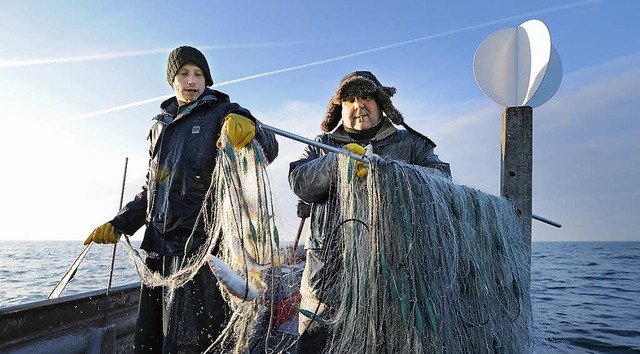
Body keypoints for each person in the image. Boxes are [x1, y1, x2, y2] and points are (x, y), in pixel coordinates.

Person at [83, 46, 279, 353]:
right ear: (172, 80)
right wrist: (120, 223)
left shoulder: (222, 112)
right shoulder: (159, 126)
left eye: (198, 74)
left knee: (192, 341)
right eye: (184, 74)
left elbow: (268, 148)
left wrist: (250, 130)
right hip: (157, 249)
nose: (191, 81)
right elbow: (152, 189)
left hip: (200, 250)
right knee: (151, 340)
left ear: (207, 79)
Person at [288, 71, 451, 353]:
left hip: (395, 284)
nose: (358, 105)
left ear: (381, 103)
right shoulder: (321, 145)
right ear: (339, 108)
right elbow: (299, 181)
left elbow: (441, 179)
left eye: (366, 97)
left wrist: (388, 172)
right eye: (350, 99)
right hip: (326, 284)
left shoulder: (412, 145)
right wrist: (338, 163)